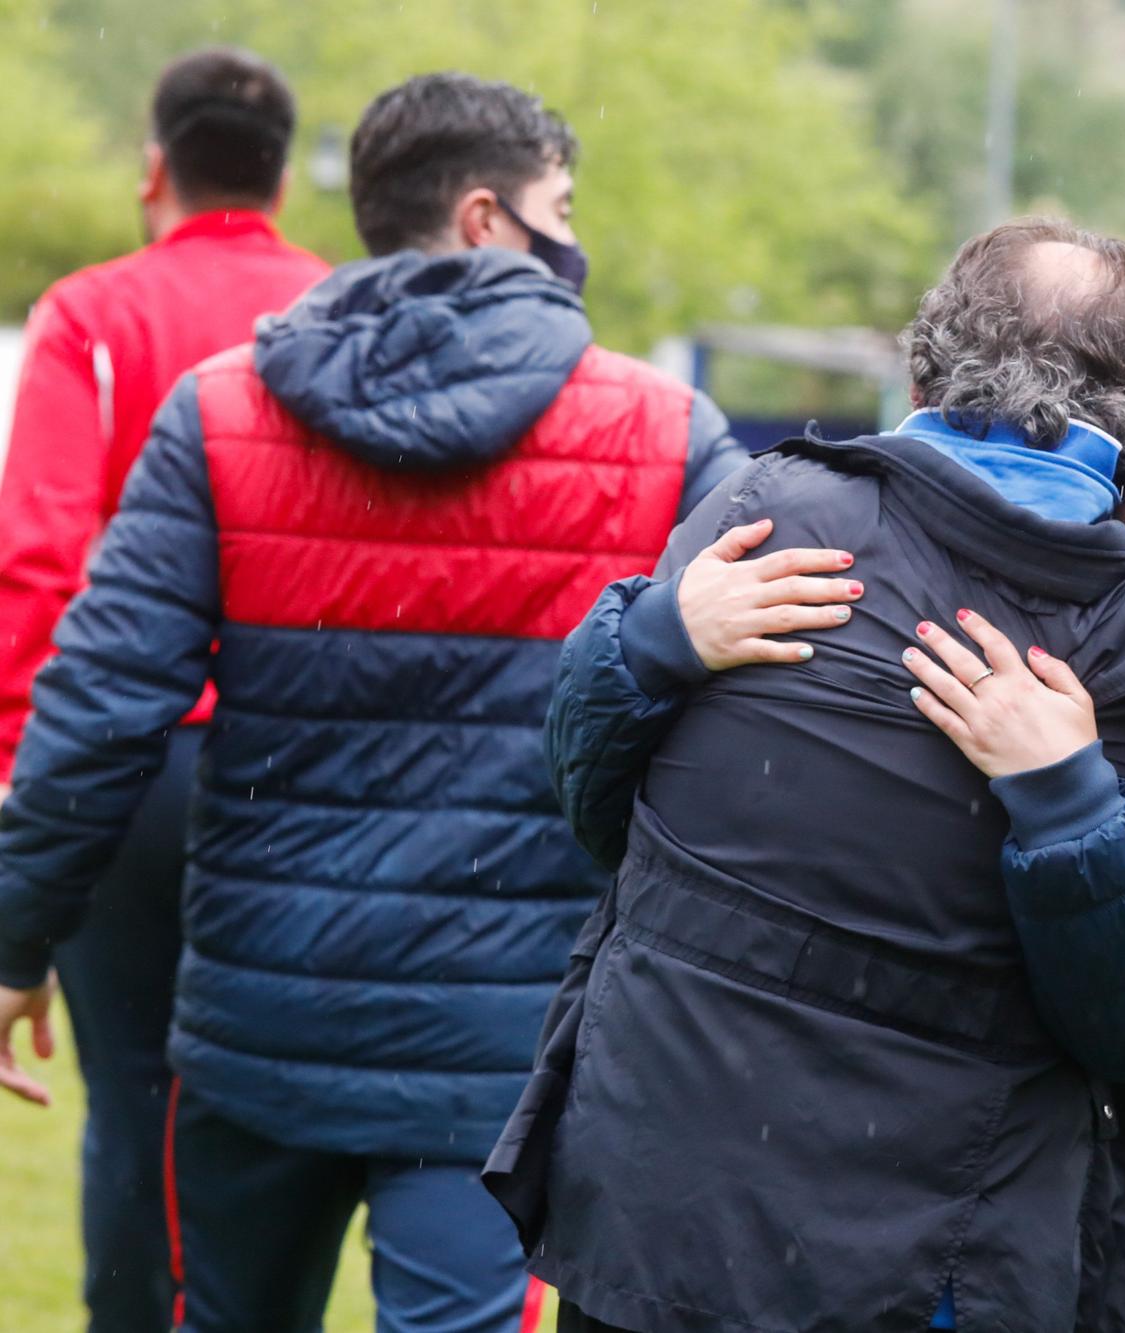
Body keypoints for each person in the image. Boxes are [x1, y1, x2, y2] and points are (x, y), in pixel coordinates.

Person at [485, 218, 1125, 1332]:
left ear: (926, 360)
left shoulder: (769, 511)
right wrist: (648, 642)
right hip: (905, 1244)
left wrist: (1072, 802)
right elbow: (616, 818)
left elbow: (598, 812)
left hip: (670, 1203)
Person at [0, 71, 744, 1333]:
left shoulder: (221, 412)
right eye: (559, 204)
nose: (575, 234)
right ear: (482, 218)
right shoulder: (662, 431)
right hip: (496, 1052)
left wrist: (18, 938)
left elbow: (103, 700)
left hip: (256, 1024)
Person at [0, 46, 328, 1330]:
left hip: (130, 772)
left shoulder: (91, 313)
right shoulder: (337, 309)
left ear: (155, 169)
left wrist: (34, 801)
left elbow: (39, 561)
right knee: (280, 1109)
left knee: (135, 1106)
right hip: (301, 770)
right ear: (288, 180)